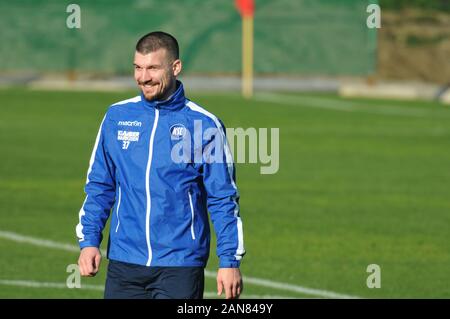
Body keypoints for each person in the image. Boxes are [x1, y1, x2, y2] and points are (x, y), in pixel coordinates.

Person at [75, 31, 245, 299]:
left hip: (180, 265)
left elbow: (222, 198)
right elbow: (100, 186)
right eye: (138, 68)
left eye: (153, 68)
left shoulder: (204, 125)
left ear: (175, 67)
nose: (143, 77)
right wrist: (89, 241)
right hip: (124, 263)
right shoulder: (116, 117)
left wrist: (229, 261)